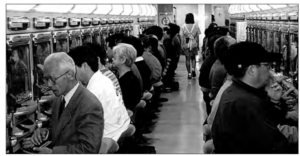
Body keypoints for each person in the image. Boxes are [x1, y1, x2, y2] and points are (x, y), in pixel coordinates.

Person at [211, 42, 294, 153]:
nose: (269, 72)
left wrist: (275, 102)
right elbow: (276, 145)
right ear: (252, 70)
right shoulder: (245, 103)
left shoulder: (236, 90)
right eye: (267, 66)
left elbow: (268, 122)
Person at [29, 52, 104, 153]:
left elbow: (89, 150)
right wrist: (46, 133)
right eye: (46, 79)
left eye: (53, 79)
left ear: (70, 75)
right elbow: (62, 130)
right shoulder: (58, 98)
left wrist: (52, 153)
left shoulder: (90, 105)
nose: (49, 84)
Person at [68, 46, 130, 142]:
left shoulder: (94, 90)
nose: (72, 73)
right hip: (118, 131)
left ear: (85, 66)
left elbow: (82, 125)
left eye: (74, 69)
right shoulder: (103, 79)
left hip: (108, 138)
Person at [112, 43, 142, 111]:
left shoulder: (128, 82)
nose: (112, 60)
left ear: (123, 60)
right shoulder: (128, 77)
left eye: (115, 58)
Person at [181, 13, 201, 79]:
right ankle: (193, 70)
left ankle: (189, 73)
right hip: (194, 44)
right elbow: (197, 37)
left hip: (186, 44)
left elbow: (182, 36)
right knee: (193, 58)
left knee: (187, 59)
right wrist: (198, 44)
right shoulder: (196, 26)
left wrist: (182, 45)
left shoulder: (183, 26)